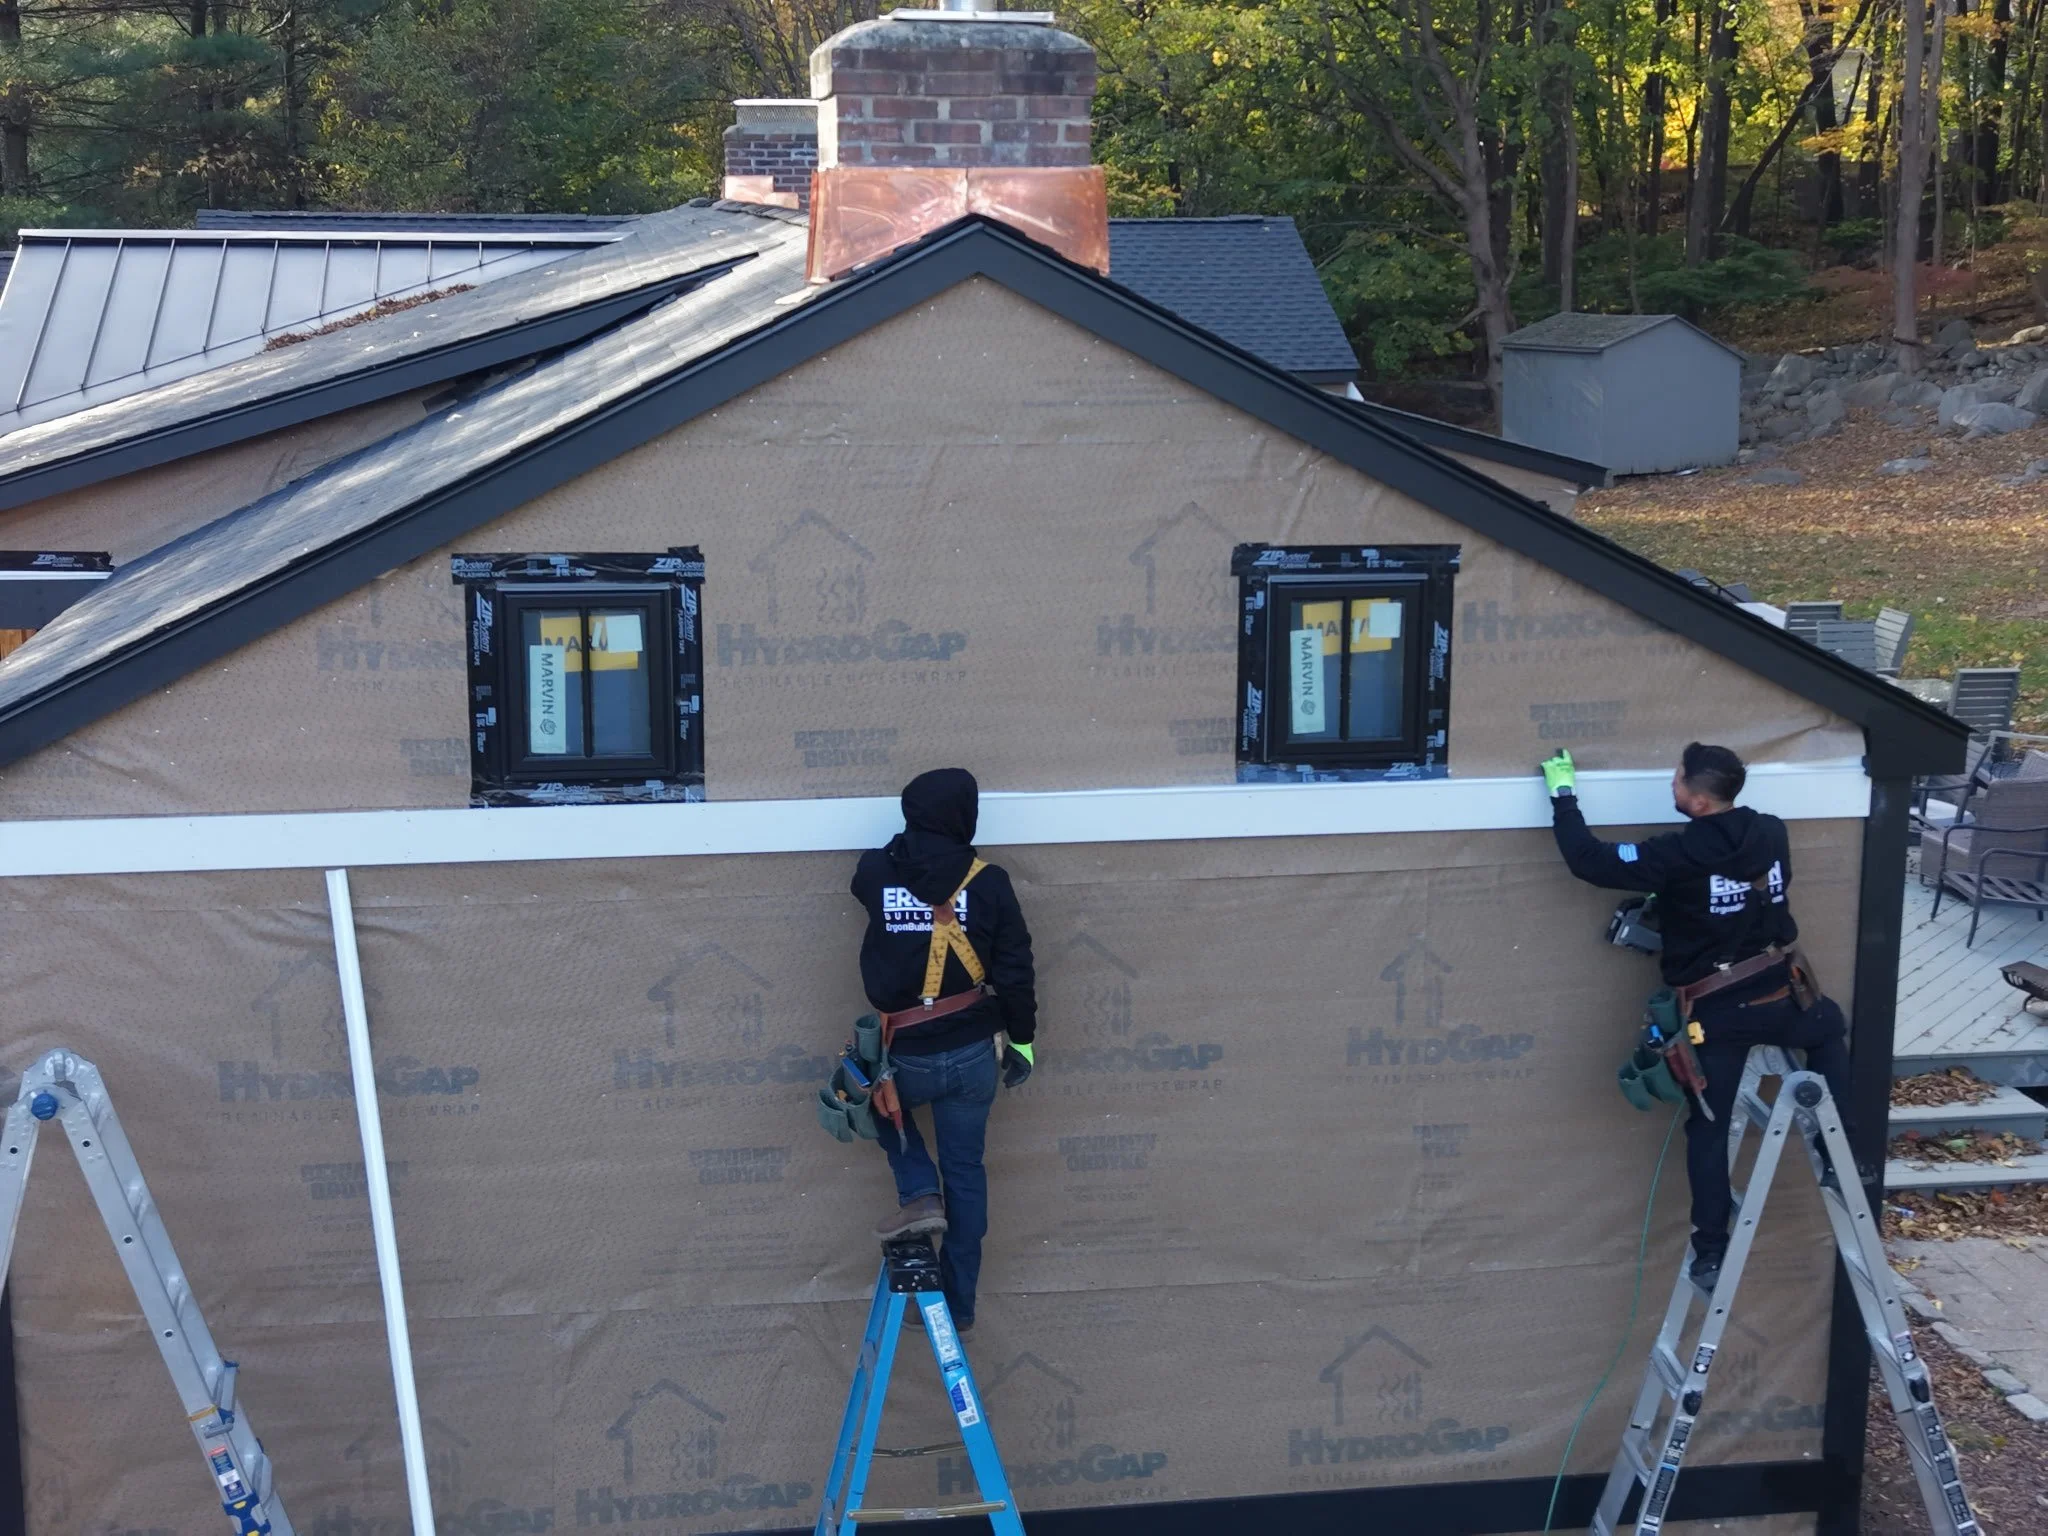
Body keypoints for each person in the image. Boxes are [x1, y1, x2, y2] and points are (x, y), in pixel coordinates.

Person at [1542, 742, 1854, 1292]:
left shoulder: (1675, 855)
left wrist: (1563, 794)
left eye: (1678, 779)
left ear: (1700, 800)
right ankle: (1837, 1154)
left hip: (1718, 1012)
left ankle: (1710, 1252)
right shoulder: (1772, 831)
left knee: (1709, 1129)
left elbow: (1587, 861)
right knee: (1831, 1031)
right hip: (1785, 995)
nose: (1672, 785)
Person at [850, 767, 1037, 1331]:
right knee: (967, 1172)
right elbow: (1016, 970)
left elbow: (867, 883)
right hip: (974, 1052)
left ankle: (917, 1189)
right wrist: (1023, 1044)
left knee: (862, 1095)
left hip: (902, 1057)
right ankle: (957, 1303)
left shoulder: (877, 869)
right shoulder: (990, 882)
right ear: (965, 816)